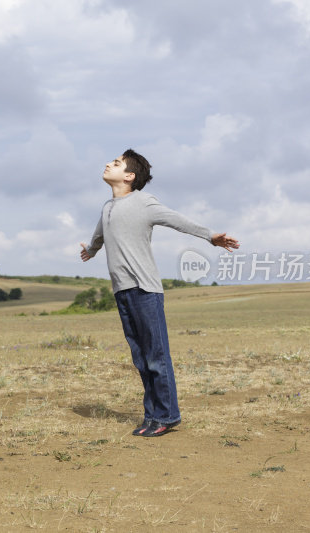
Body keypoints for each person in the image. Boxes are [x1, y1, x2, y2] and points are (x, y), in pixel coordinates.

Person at [80, 149, 239, 437]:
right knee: (140, 357)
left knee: (156, 356)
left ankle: (168, 415)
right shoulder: (107, 208)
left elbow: (176, 219)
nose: (107, 163)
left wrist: (210, 236)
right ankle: (152, 416)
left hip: (145, 289)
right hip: (122, 291)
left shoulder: (143, 202)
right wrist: (90, 250)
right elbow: (100, 234)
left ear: (129, 176)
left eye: (115, 163)